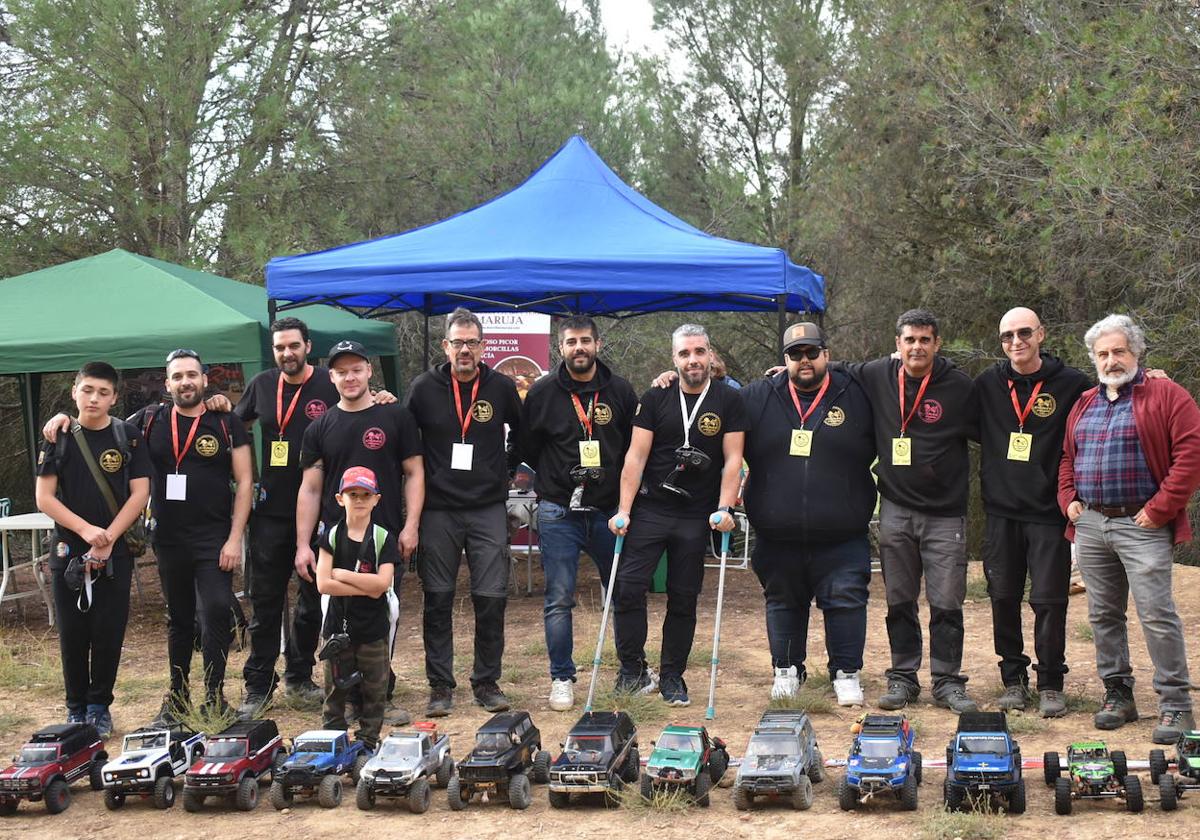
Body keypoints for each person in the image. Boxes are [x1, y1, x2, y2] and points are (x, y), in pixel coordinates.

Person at [1058, 313, 1200, 743]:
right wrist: (1069, 501)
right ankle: (1118, 694)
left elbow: (1190, 455)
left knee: (1157, 615)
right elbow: (1068, 457)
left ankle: (1175, 705)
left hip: (1143, 523)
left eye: (1119, 351)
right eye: (1102, 353)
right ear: (1093, 359)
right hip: (1093, 524)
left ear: (1136, 352)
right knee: (1103, 615)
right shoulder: (1084, 402)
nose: (1111, 359)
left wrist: (1160, 509)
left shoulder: (1168, 395)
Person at [841, 309, 979, 713]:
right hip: (896, 511)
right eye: (909, 340)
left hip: (945, 514)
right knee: (899, 600)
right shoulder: (877, 374)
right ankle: (903, 677)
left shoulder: (959, 386)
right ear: (898, 344)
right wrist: (791, 364)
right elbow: (835, 369)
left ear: (937, 344)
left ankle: (947, 680)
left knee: (946, 602)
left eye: (924, 340)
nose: (916, 347)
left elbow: (996, 421)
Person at [740, 323, 876, 706]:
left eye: (812, 353)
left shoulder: (857, 394)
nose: (804, 360)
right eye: (795, 354)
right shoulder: (757, 396)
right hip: (777, 532)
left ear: (826, 355)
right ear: (784, 360)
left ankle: (846, 672)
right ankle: (786, 669)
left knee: (846, 600)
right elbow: (717, 412)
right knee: (782, 601)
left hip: (842, 532)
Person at [608, 324, 744, 707]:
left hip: (696, 514)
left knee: (683, 598)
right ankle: (632, 670)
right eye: (684, 354)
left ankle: (672, 676)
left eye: (699, 351)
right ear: (674, 359)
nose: (693, 360)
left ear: (710, 354)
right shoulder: (656, 397)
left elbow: (733, 459)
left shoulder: (728, 400)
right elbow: (635, 456)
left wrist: (724, 507)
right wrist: (623, 509)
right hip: (652, 507)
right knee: (629, 587)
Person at [298, 339, 423, 723]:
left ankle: (378, 698)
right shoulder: (320, 427)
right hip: (337, 543)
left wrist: (411, 526)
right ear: (330, 376)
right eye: (341, 371)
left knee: (383, 617)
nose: (349, 377)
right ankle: (347, 700)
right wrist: (304, 543)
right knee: (338, 621)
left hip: (382, 539)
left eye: (357, 369)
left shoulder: (396, 417)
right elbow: (311, 488)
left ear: (369, 371)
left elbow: (415, 472)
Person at [404, 308, 521, 716]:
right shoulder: (423, 388)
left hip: (488, 508)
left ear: (483, 346)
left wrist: (502, 473)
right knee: (437, 598)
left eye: (472, 342)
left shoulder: (502, 387)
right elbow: (404, 438)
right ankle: (440, 687)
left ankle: (486, 682)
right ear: (445, 345)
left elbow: (522, 435)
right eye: (458, 342)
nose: (465, 350)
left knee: (491, 598)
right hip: (439, 510)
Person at [974, 307, 1091, 718]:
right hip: (1001, 512)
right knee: (1003, 597)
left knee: (1049, 601)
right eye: (1007, 336)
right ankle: (1013, 680)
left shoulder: (1073, 384)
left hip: (1048, 513)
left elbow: (1117, 396)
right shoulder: (987, 385)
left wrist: (1152, 379)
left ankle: (1051, 684)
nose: (1016, 342)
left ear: (1041, 334)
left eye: (1024, 333)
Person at [518, 314, 638, 711]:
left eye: (585, 340)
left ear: (598, 345)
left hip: (608, 511)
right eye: (571, 342)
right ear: (560, 348)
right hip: (558, 510)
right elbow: (528, 447)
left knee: (623, 592)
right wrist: (556, 479)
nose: (579, 348)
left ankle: (632, 673)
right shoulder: (542, 392)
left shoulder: (620, 390)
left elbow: (633, 447)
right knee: (558, 598)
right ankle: (562, 678)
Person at [133, 349, 253, 723]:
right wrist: (62, 420)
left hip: (214, 537)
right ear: (167, 384)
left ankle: (214, 697)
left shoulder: (224, 421)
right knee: (180, 618)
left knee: (217, 608)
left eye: (191, 375)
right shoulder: (149, 419)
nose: (185, 382)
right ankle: (177, 697)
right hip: (168, 537)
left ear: (204, 380)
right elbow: (101, 427)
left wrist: (236, 538)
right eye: (177, 376)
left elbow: (246, 480)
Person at [35, 362, 152, 737]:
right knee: (72, 632)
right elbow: (44, 497)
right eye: (87, 390)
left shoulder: (128, 436)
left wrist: (109, 538)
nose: (94, 398)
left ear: (115, 397)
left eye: (103, 392)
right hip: (69, 550)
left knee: (108, 630)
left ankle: (100, 706)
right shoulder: (60, 437)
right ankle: (76, 708)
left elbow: (140, 493)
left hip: (114, 553)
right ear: (74, 392)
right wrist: (86, 531)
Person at [233, 317, 338, 717]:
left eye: (293, 346)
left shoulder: (329, 383)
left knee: (312, 599)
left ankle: (299, 676)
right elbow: (234, 426)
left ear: (307, 346)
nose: (286, 354)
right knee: (265, 602)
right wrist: (220, 406)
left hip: (319, 509)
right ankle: (258, 685)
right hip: (271, 511)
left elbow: (359, 403)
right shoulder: (261, 384)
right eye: (279, 348)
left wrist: (380, 397)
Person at [315, 466, 399, 750]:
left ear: (377, 499)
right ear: (340, 499)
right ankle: (333, 742)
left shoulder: (383, 538)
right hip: (337, 629)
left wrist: (344, 575)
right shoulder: (332, 535)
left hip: (373, 630)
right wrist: (367, 585)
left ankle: (368, 741)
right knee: (334, 692)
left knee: (375, 691)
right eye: (353, 494)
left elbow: (383, 584)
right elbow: (323, 585)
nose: (359, 500)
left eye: (366, 494)